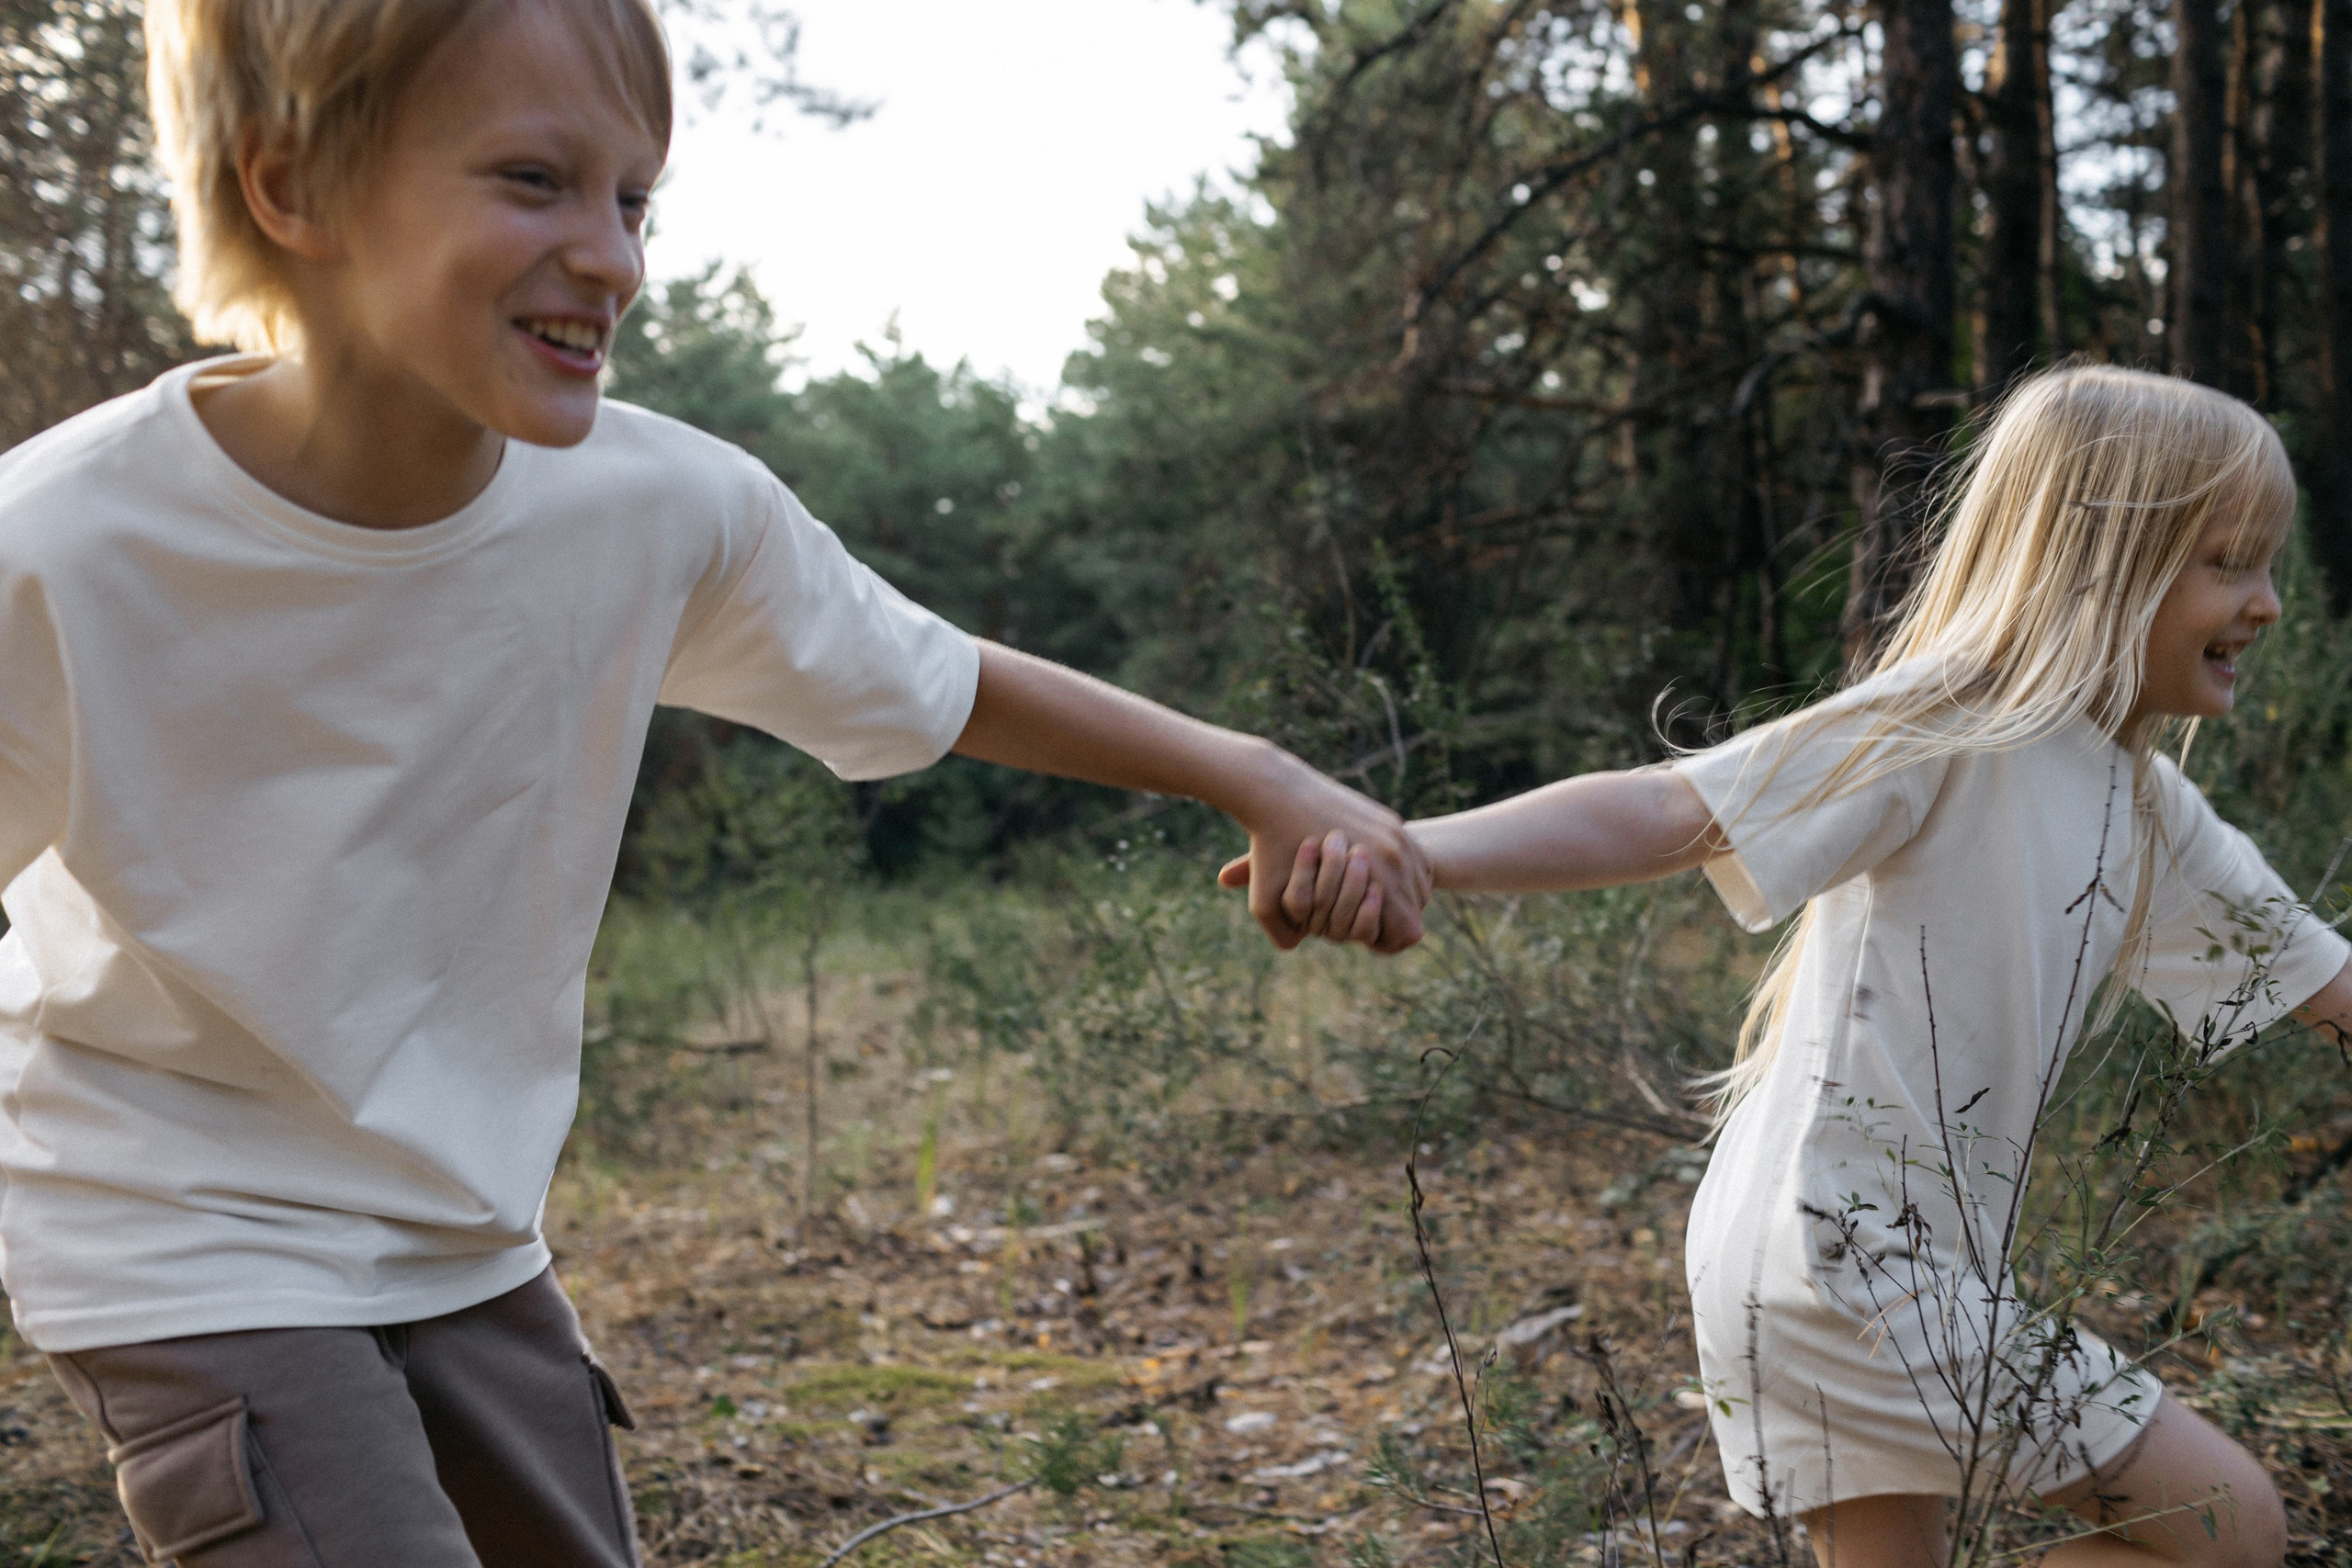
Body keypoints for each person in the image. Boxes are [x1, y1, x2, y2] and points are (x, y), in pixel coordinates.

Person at [0, 0, 1428, 1561]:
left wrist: (1256, 775)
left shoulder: (657, 506)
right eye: (534, 181)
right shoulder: (64, 547)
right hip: (180, 1231)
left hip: (466, 1228)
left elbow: (933, 677)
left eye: (635, 198)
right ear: (293, 186)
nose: (614, 258)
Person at [1282, 366, 2352, 1568]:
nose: (2268, 604)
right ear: (2099, 561)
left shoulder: (2150, 810)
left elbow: (2330, 987)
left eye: (2269, 565)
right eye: (2228, 562)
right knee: (2225, 1524)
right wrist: (1409, 852)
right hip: (1844, 1252)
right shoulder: (1948, 724)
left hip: (1886, 1259)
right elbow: (1664, 811)